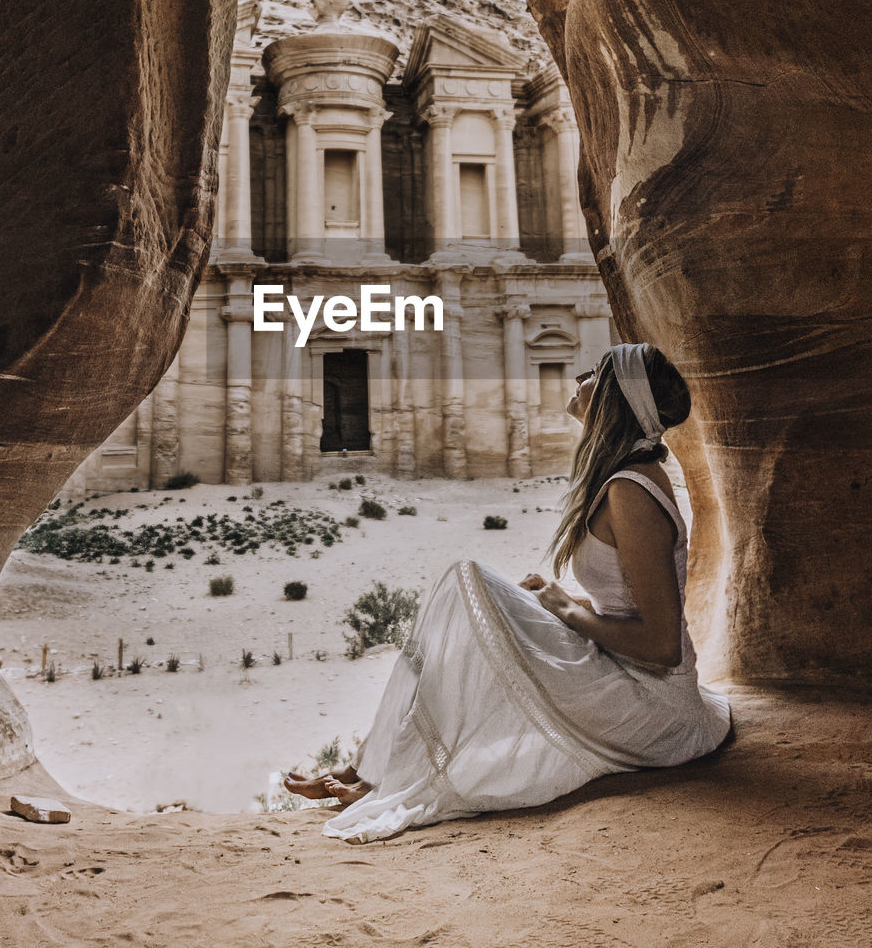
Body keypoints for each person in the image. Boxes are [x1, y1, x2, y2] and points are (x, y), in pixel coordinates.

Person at [284, 342, 731, 844]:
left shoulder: (631, 490)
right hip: (626, 673)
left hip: (655, 708)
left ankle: (378, 771)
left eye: (594, 373)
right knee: (467, 589)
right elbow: (632, 603)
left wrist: (563, 608)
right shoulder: (621, 476)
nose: (579, 378)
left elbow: (661, 645)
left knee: (466, 579)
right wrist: (564, 604)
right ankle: (374, 763)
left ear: (612, 397)